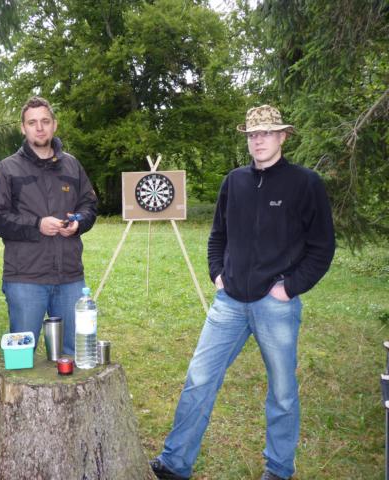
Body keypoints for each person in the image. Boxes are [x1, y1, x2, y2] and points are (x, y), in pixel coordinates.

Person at [150, 105, 335, 480]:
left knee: (282, 391)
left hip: (275, 306)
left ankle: (278, 469)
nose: (258, 140)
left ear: (282, 136)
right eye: (252, 134)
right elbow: (217, 235)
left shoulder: (305, 183)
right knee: (199, 379)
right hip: (229, 303)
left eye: (266, 133)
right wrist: (217, 274)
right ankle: (174, 463)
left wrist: (290, 287)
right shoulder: (233, 181)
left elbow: (322, 247)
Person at [0, 96, 97, 355]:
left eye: (45, 121)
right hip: (25, 279)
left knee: (74, 354)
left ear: (54, 125)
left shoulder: (72, 165)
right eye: (32, 122)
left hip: (70, 277)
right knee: (22, 358)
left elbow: (89, 206)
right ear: (23, 128)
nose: (40, 127)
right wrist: (37, 225)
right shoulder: (6, 169)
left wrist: (78, 223)